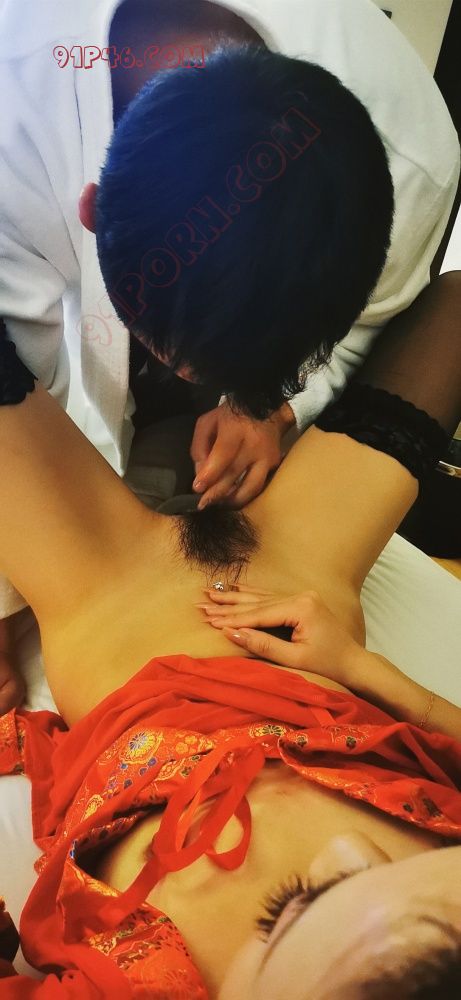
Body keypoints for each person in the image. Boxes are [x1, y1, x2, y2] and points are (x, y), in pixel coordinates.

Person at [0, 270, 460, 997]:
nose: (344, 845)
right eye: (421, 863)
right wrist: (360, 669)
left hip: (109, 607)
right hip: (302, 595)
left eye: (287, 913)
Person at [0, 0, 459, 636]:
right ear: (92, 210)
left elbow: (380, 320)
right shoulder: (16, 112)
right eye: (171, 351)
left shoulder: (412, 167)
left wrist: (270, 406)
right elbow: (22, 393)